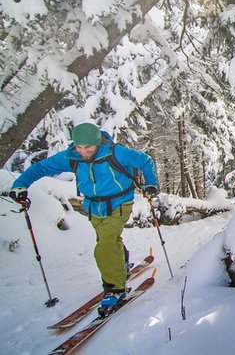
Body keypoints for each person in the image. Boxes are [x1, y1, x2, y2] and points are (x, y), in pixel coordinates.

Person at [6, 122, 158, 312]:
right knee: (106, 240)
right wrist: (20, 184)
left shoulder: (116, 153)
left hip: (119, 203)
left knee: (105, 243)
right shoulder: (72, 157)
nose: (83, 151)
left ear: (97, 143)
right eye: (79, 147)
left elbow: (145, 161)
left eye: (88, 147)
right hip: (93, 206)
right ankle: (122, 263)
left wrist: (151, 184)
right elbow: (41, 168)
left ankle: (114, 289)